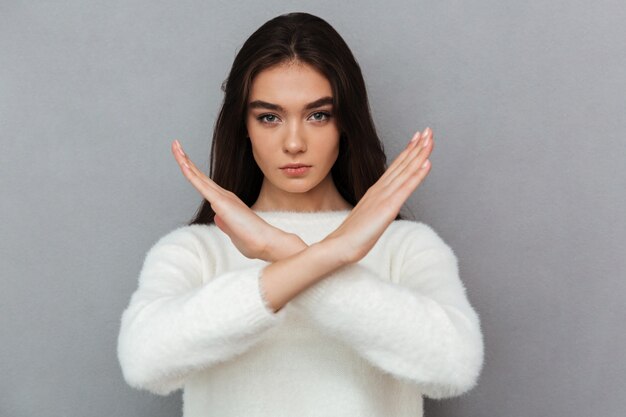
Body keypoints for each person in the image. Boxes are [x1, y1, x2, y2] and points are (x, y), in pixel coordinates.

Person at [117, 12, 484, 417]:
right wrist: (328, 254)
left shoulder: (405, 246)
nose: (294, 142)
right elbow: (144, 361)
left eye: (318, 115)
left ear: (345, 123)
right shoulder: (196, 250)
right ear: (244, 127)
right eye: (270, 117)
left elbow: (455, 367)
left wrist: (281, 250)